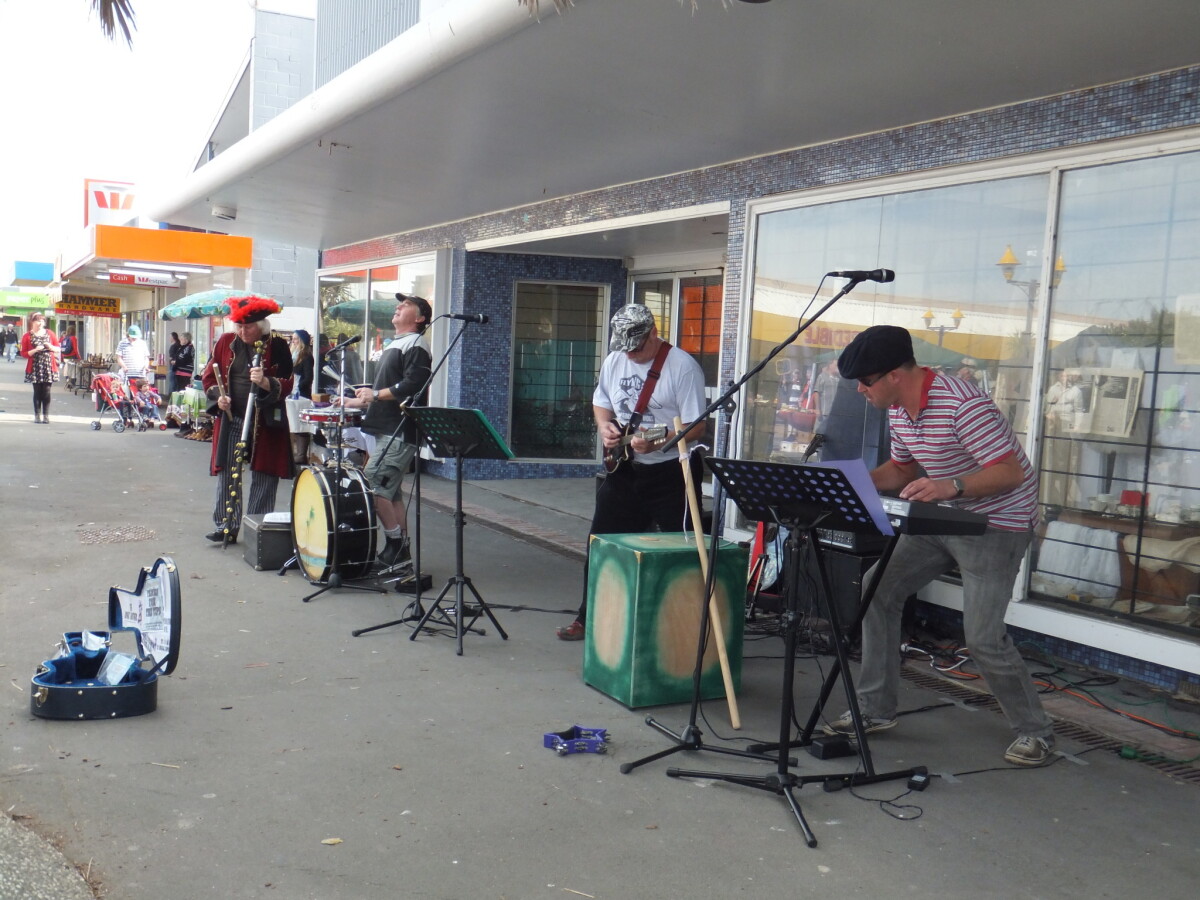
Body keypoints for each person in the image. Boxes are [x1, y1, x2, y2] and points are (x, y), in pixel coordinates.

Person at [823, 324, 1054, 766]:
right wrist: (849, 485)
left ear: (893, 375)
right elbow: (903, 470)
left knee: (983, 638)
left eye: (866, 381)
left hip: (997, 523)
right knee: (878, 590)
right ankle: (875, 710)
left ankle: (1036, 732)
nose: (859, 390)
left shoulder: (964, 404)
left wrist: (952, 485)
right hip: (944, 518)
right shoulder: (897, 408)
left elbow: (1009, 471)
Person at [556, 303, 708, 641]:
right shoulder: (615, 359)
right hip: (626, 468)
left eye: (637, 348)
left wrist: (662, 441)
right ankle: (589, 616)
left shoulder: (682, 367)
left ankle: (683, 628)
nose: (632, 355)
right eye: (625, 349)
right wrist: (604, 426)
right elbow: (602, 402)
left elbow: (696, 427)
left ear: (654, 333)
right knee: (602, 544)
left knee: (680, 551)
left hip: (672, 472)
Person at [339, 294, 433, 569]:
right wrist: (356, 400)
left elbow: (413, 385)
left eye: (406, 305)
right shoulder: (400, 343)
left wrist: (375, 394)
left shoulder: (416, 344)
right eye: (399, 304)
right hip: (389, 428)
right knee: (391, 493)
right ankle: (401, 554)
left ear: (420, 318)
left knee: (372, 484)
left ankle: (395, 544)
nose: (398, 306)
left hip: (400, 430)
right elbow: (386, 389)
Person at [200, 295, 294, 544]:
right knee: (228, 472)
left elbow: (288, 383)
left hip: (265, 422)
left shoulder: (279, 346)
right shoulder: (225, 341)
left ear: (261, 325)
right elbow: (209, 378)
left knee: (264, 475)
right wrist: (218, 396)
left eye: (248, 327)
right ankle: (225, 526)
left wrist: (265, 383)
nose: (242, 332)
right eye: (239, 326)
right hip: (233, 418)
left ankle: (257, 529)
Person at [20, 313, 61, 424]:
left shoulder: (50, 333)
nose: (40, 323)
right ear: (32, 322)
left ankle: (46, 416)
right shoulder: (27, 336)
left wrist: (50, 346)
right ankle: (37, 415)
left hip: (48, 365)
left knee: (47, 391)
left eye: (42, 321)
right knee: (37, 391)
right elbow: (23, 353)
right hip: (35, 366)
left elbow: (58, 349)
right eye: (38, 321)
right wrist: (35, 350)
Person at [288, 329, 316, 466]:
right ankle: (292, 452)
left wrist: (298, 387)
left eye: (296, 339)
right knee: (292, 422)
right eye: (292, 338)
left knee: (301, 424)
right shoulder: (292, 354)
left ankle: (301, 454)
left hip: (301, 395)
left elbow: (309, 377)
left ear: (302, 341)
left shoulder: (306, 356)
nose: (293, 341)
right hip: (291, 394)